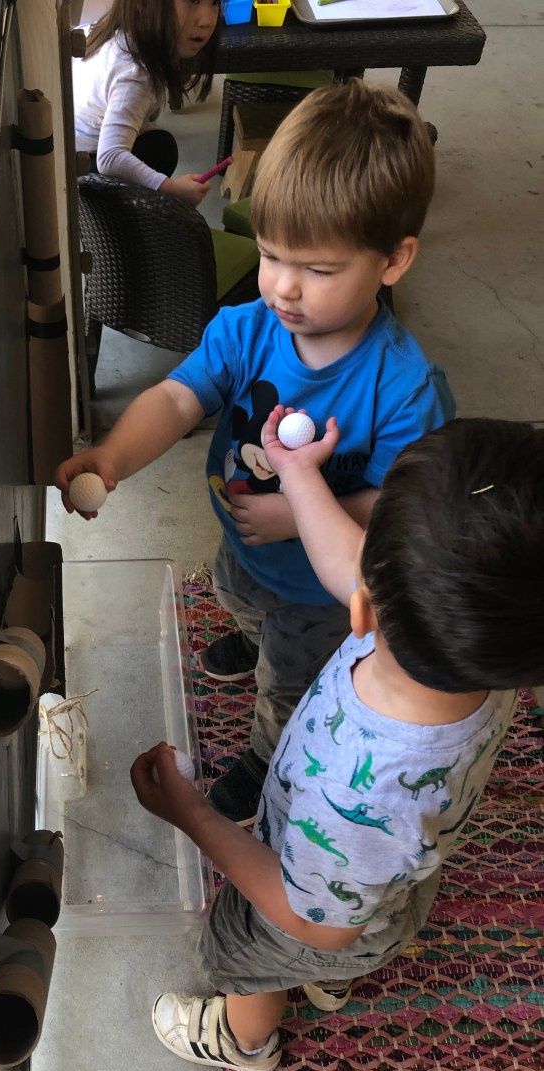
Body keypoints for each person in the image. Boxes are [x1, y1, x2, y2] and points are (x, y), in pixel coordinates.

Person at [56, 78, 455, 824]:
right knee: (234, 593)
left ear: (393, 260)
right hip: (244, 542)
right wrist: (113, 458)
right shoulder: (247, 328)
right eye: (271, 255)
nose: (283, 288)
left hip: (319, 591)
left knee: (289, 683)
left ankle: (268, 758)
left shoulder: (402, 388)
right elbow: (178, 398)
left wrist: (297, 512)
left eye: (318, 269)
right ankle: (249, 634)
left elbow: (399, 508)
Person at [130, 412, 544, 1071]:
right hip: (375, 874)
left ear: (363, 607)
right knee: (353, 898)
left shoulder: (361, 786)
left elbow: (316, 924)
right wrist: (298, 473)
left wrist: (194, 816)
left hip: (321, 910)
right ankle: (333, 971)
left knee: (244, 955)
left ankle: (244, 1043)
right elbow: (347, 563)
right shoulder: (483, 650)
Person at [72, 0, 220, 206]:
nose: (207, 21)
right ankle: (112, 212)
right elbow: (110, 157)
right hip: (84, 171)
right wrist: (172, 190)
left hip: (72, 144)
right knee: (161, 149)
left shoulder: (114, 29)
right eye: (191, 1)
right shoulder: (136, 75)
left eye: (215, 2)